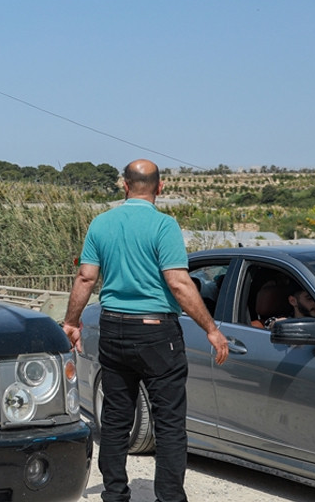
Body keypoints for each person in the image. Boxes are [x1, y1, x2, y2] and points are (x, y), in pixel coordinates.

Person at [61, 159, 228, 502]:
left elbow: (86, 278)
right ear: (160, 187)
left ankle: (114, 494)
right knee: (168, 422)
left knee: (115, 418)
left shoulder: (101, 223)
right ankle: (169, 497)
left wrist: (72, 323)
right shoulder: (164, 226)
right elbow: (178, 282)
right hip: (156, 332)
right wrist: (211, 328)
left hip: (112, 328)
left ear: (124, 185)